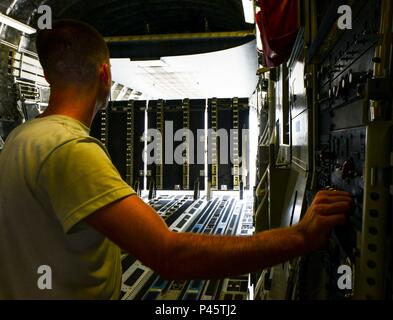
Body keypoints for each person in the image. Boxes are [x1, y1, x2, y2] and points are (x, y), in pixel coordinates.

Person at [0, 20, 352, 300]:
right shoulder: (70, 149)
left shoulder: (18, 140)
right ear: (105, 75)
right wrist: (301, 237)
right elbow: (170, 254)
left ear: (47, 76)